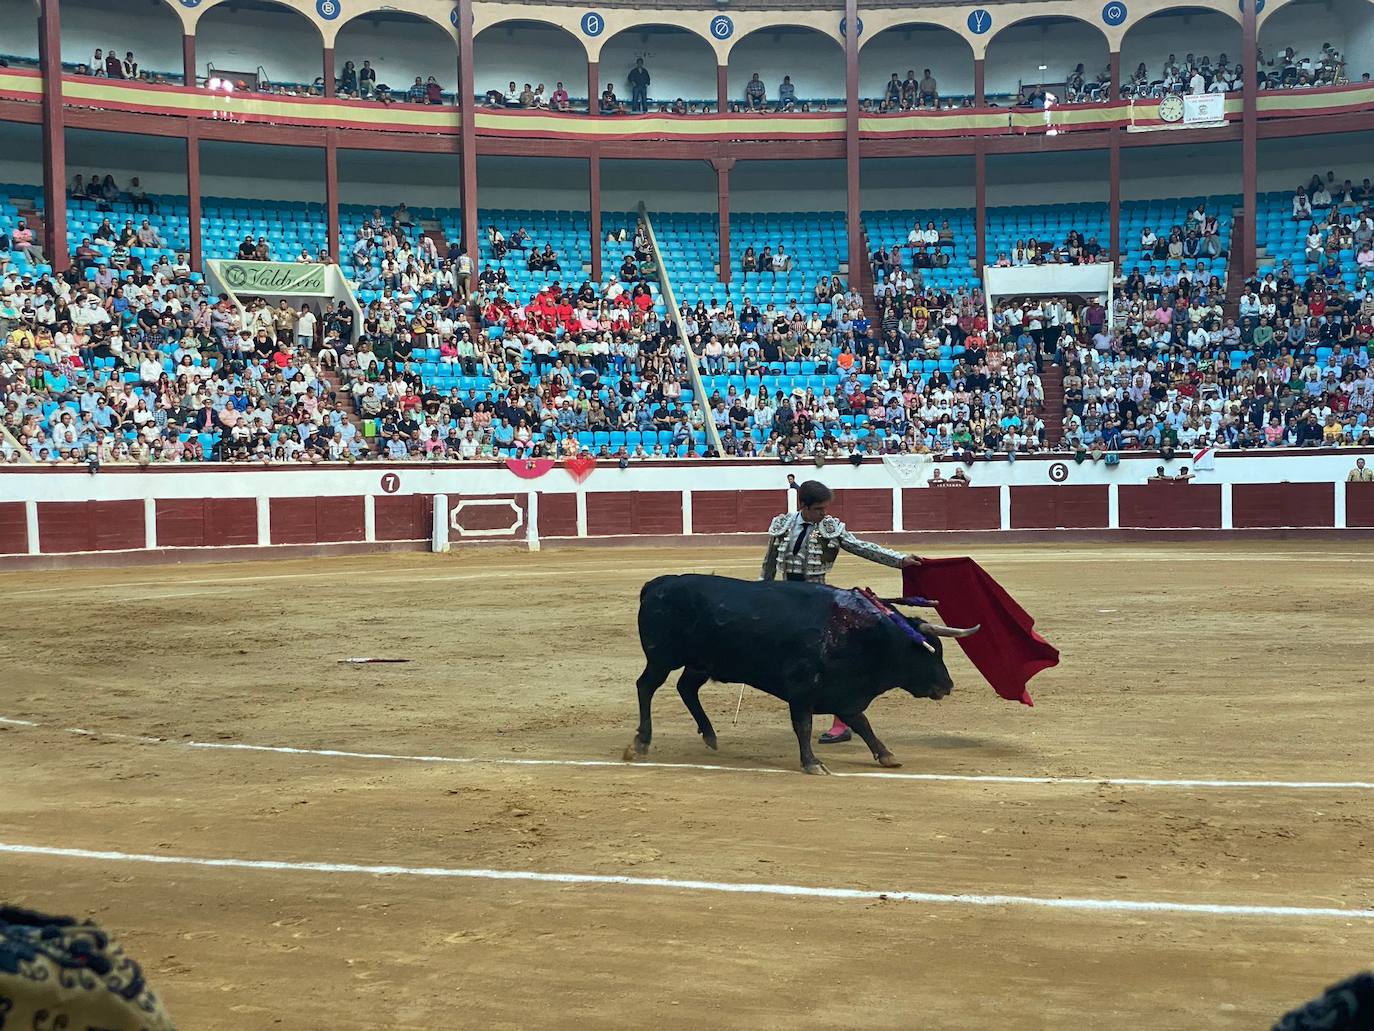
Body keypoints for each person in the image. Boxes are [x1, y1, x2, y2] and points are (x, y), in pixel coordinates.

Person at [760, 479, 921, 745]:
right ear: (804, 506)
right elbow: (768, 564)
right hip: (787, 598)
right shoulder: (782, 525)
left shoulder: (830, 528)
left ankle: (842, 721)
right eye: (820, 509)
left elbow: (862, 547)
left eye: (826, 508)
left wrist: (899, 559)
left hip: (819, 600)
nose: (825, 513)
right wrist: (761, 595)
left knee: (833, 660)